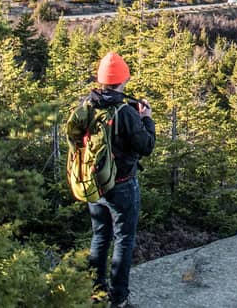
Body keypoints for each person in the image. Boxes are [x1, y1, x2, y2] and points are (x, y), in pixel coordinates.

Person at [83, 52, 156, 308]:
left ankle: (96, 292)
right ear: (123, 79)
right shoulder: (125, 111)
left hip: (94, 183)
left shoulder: (88, 105)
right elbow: (146, 146)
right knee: (124, 238)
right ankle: (119, 298)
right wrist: (146, 118)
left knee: (100, 235)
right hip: (122, 184)